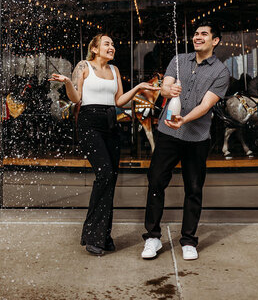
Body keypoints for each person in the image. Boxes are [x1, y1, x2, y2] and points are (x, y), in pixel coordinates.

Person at [50, 33, 155, 256]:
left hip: (111, 123)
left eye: (113, 44)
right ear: (95, 48)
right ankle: (93, 233)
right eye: (107, 43)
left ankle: (102, 236)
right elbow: (76, 99)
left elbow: (118, 101)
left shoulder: (114, 70)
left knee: (110, 179)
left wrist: (137, 89)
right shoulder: (83, 66)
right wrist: (69, 82)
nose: (112, 47)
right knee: (105, 173)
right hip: (90, 122)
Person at [141, 21, 230, 261]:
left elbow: (206, 104)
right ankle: (152, 237)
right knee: (156, 182)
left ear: (215, 41)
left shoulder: (221, 71)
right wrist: (167, 91)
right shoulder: (178, 60)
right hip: (167, 134)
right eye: (196, 34)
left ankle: (189, 240)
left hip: (197, 138)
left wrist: (184, 120)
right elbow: (165, 86)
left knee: (193, 189)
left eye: (204, 34)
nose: (197, 37)